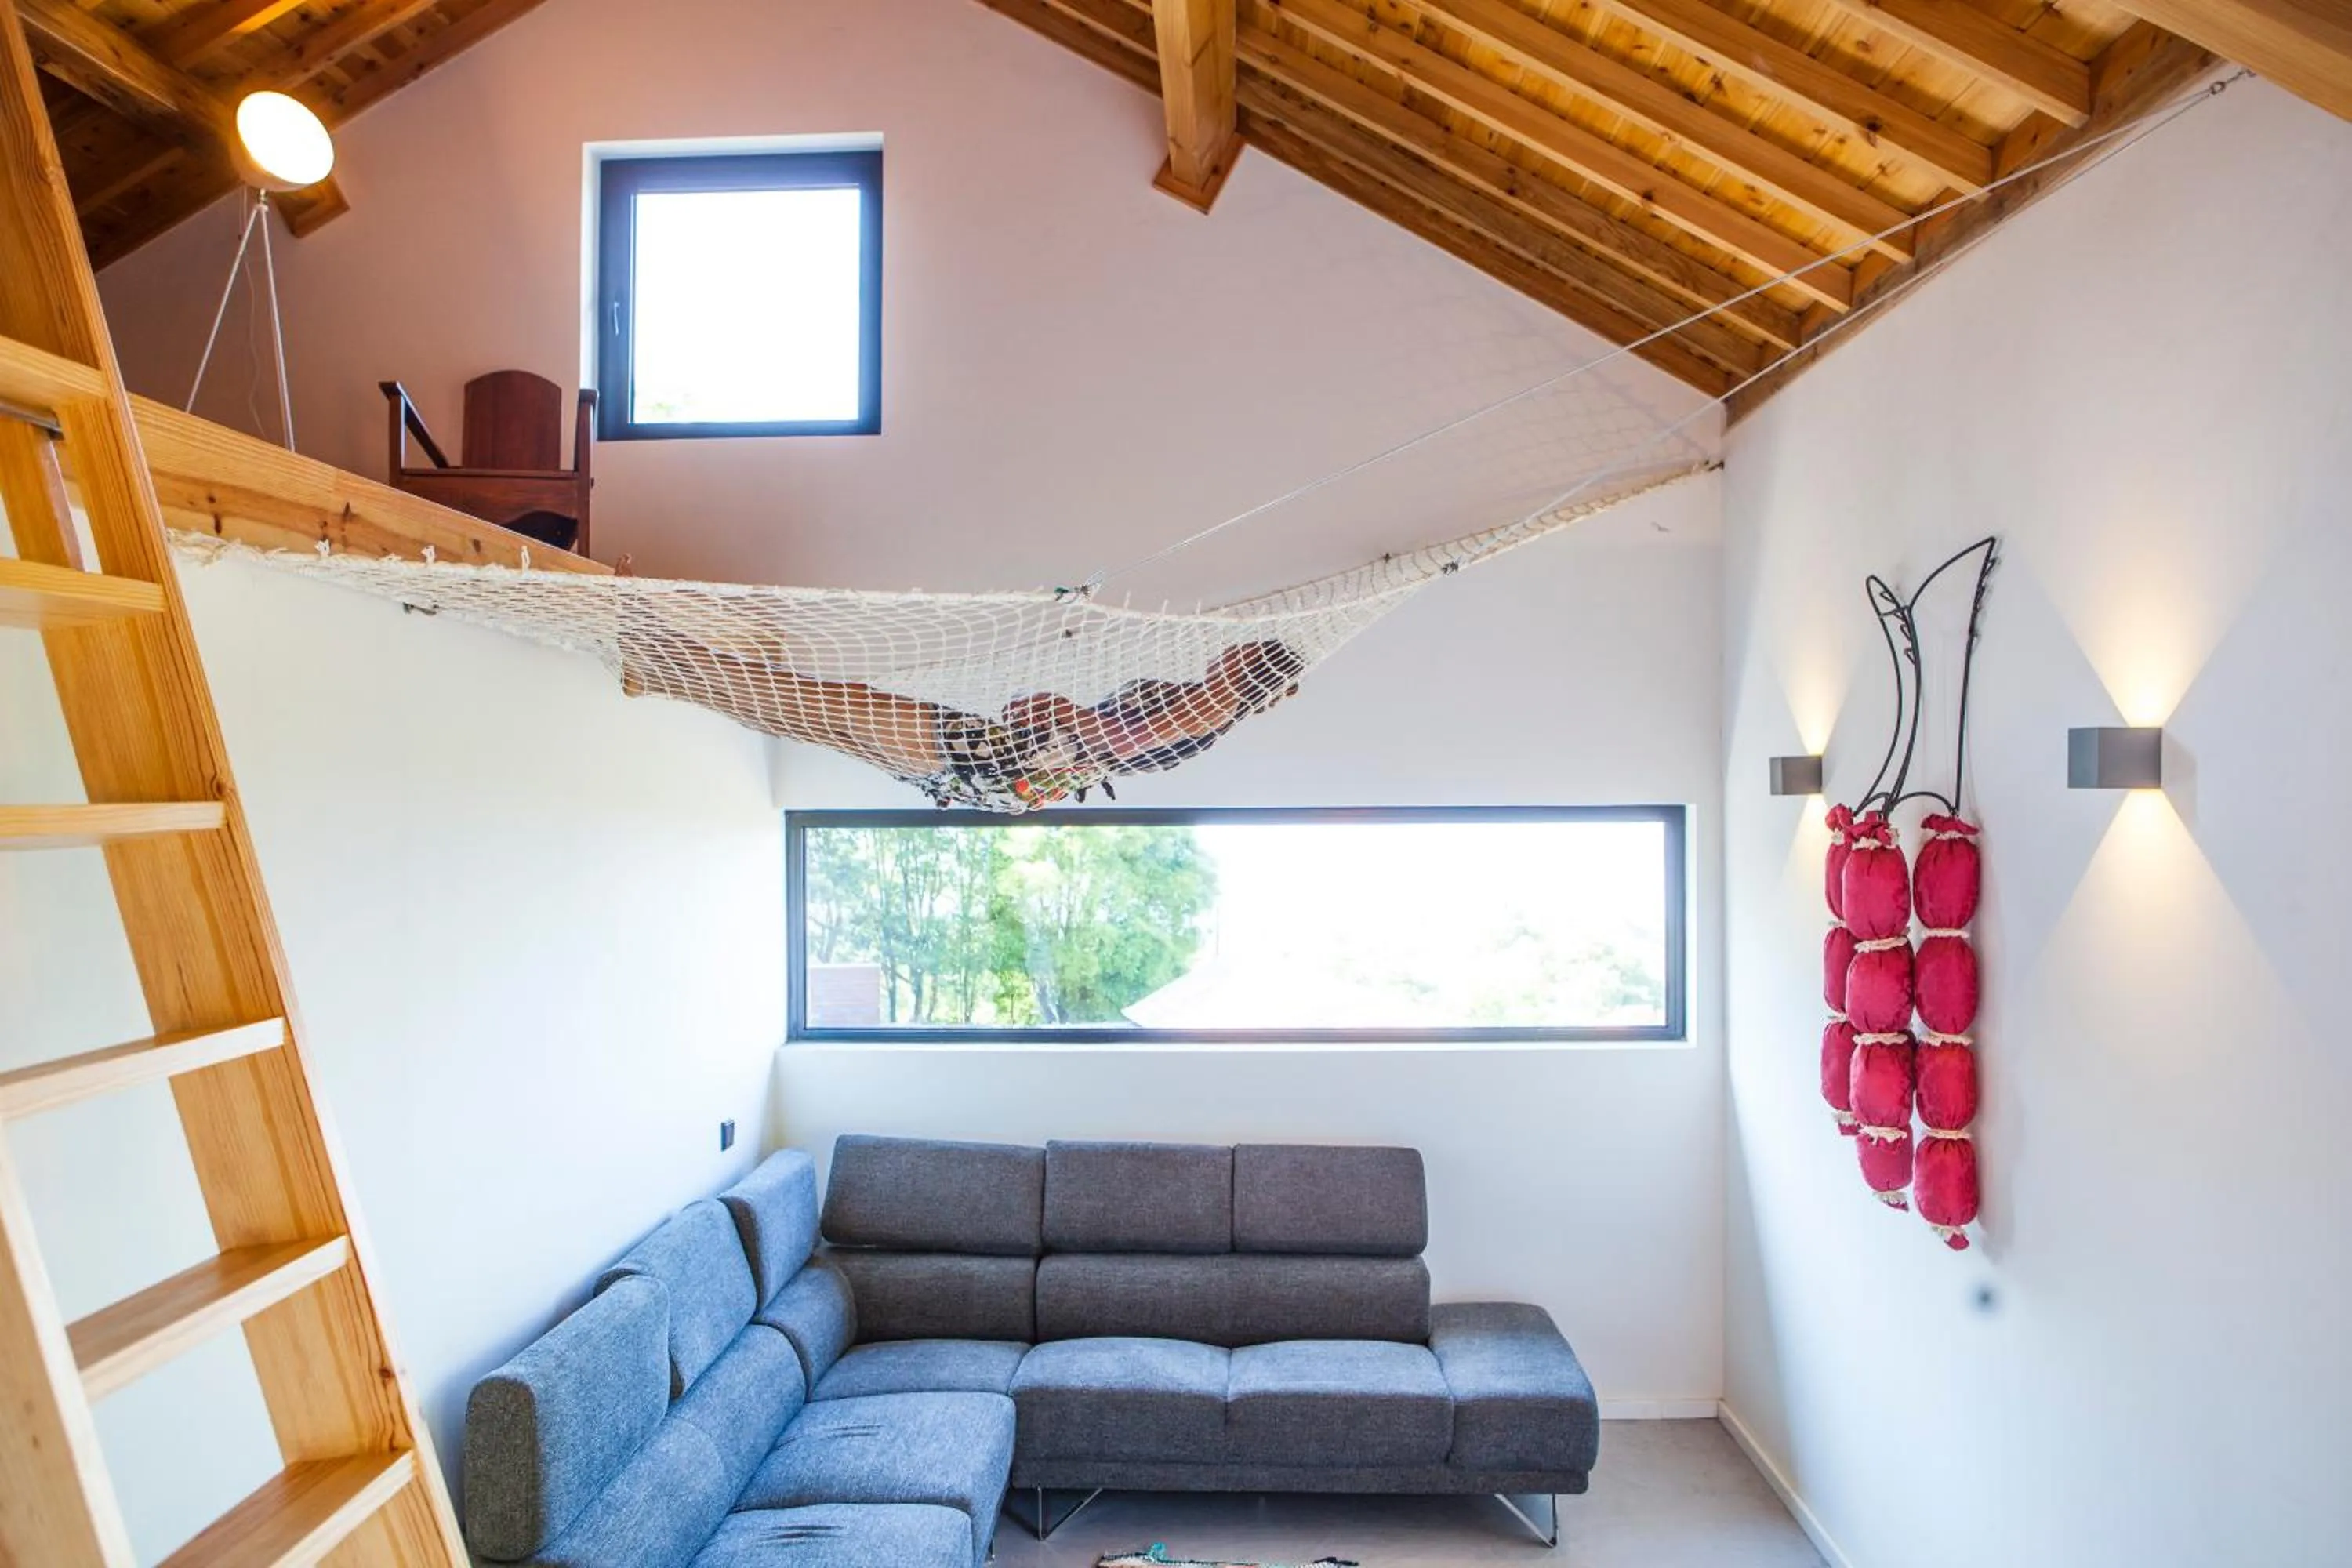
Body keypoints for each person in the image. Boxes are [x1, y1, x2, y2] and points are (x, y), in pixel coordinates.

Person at [622, 625, 1302, 808]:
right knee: (814, 718)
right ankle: (659, 672)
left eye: (1240, 651)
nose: (1227, 649)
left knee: (823, 703)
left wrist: (1058, 709)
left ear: (1250, 668)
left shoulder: (1210, 704)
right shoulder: (1213, 717)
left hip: (991, 757)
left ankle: (658, 651)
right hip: (992, 778)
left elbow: (1113, 736)